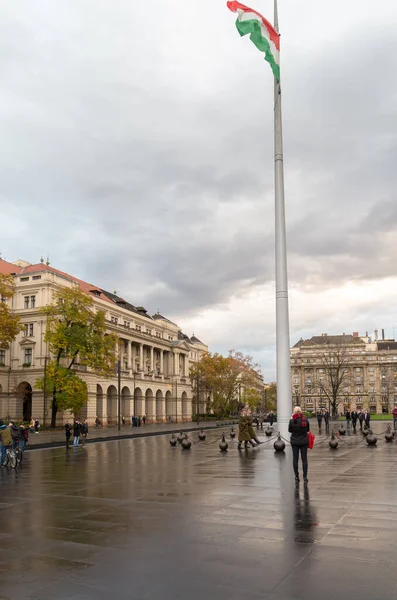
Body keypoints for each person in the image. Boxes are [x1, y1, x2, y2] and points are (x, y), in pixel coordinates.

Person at [289, 406, 310, 484]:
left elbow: (289, 430)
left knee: (295, 459)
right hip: (304, 441)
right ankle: (305, 476)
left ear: (294, 412)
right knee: (304, 459)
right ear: (301, 412)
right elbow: (307, 430)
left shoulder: (292, 421)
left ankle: (296, 476)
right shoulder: (305, 420)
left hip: (295, 441)